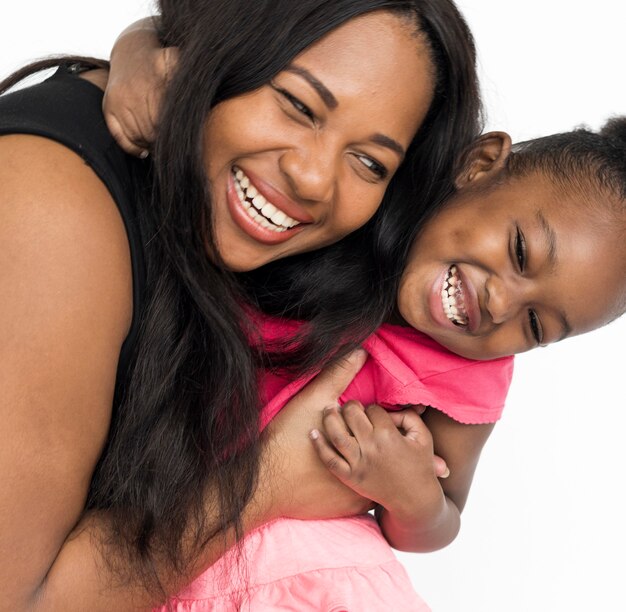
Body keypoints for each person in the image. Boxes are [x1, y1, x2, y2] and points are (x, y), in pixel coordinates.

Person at [0, 0, 485, 609]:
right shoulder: (53, 209)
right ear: (214, 54)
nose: (312, 178)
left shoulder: (254, 232)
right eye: (299, 105)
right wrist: (267, 481)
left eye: (369, 161)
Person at [149, 121, 624, 609]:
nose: (501, 304)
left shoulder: (472, 375)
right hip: (155, 511)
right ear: (478, 165)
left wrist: (411, 496)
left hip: (299, 564)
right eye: (520, 251)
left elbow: (445, 516)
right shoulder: (346, 205)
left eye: (536, 325)